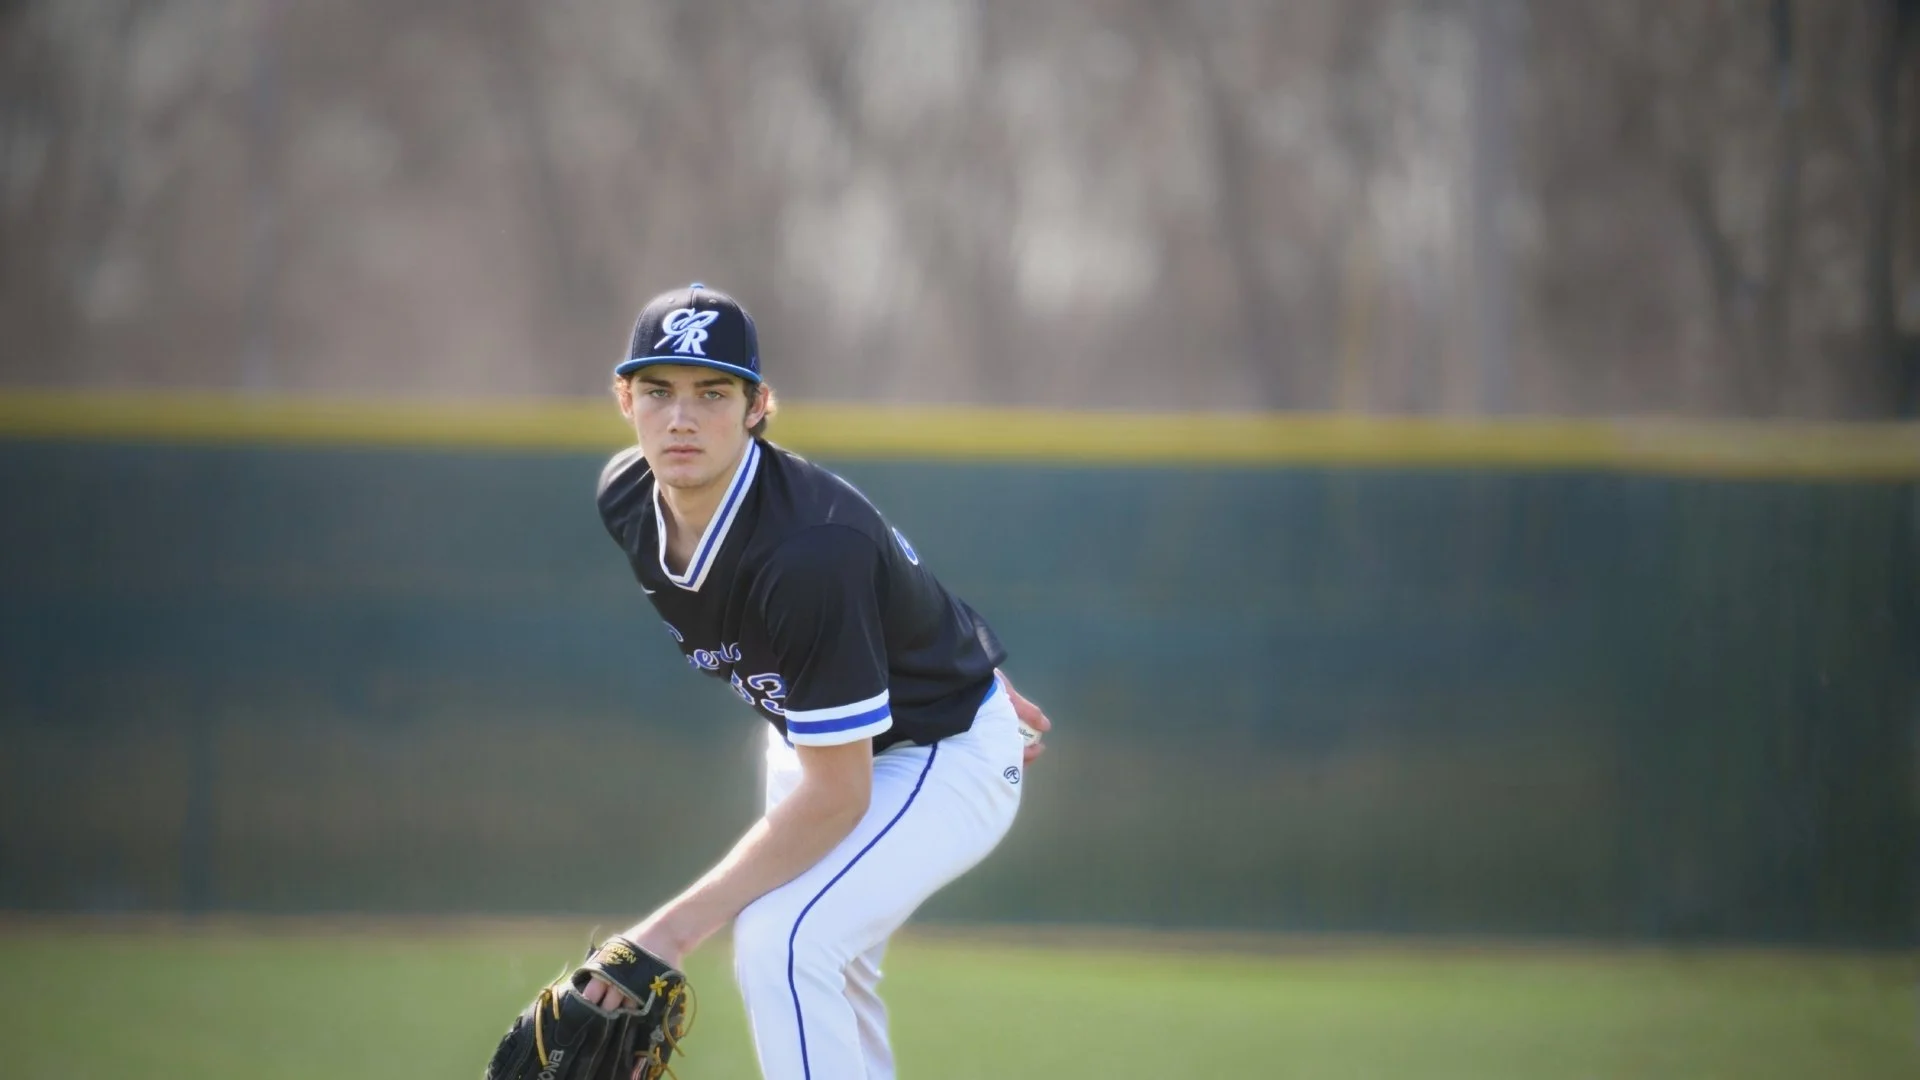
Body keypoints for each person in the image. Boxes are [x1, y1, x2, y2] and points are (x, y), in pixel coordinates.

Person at [584, 283, 1052, 1079]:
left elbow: (842, 794)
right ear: (624, 399)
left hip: (938, 755)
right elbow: (888, 579)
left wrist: (662, 938)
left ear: (759, 404)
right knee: (820, 961)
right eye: (658, 391)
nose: (682, 418)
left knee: (785, 944)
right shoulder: (627, 496)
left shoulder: (807, 551)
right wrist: (950, 652)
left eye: (714, 392)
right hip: (817, 736)